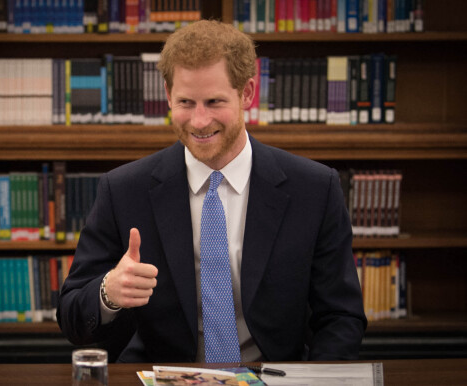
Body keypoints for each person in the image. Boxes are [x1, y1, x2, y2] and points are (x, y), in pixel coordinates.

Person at [58, 19, 367, 363]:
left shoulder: (315, 188)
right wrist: (109, 293)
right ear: (167, 95)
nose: (199, 121)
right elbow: (72, 317)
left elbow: (341, 317)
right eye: (186, 102)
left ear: (247, 93)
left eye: (214, 101)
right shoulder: (123, 190)